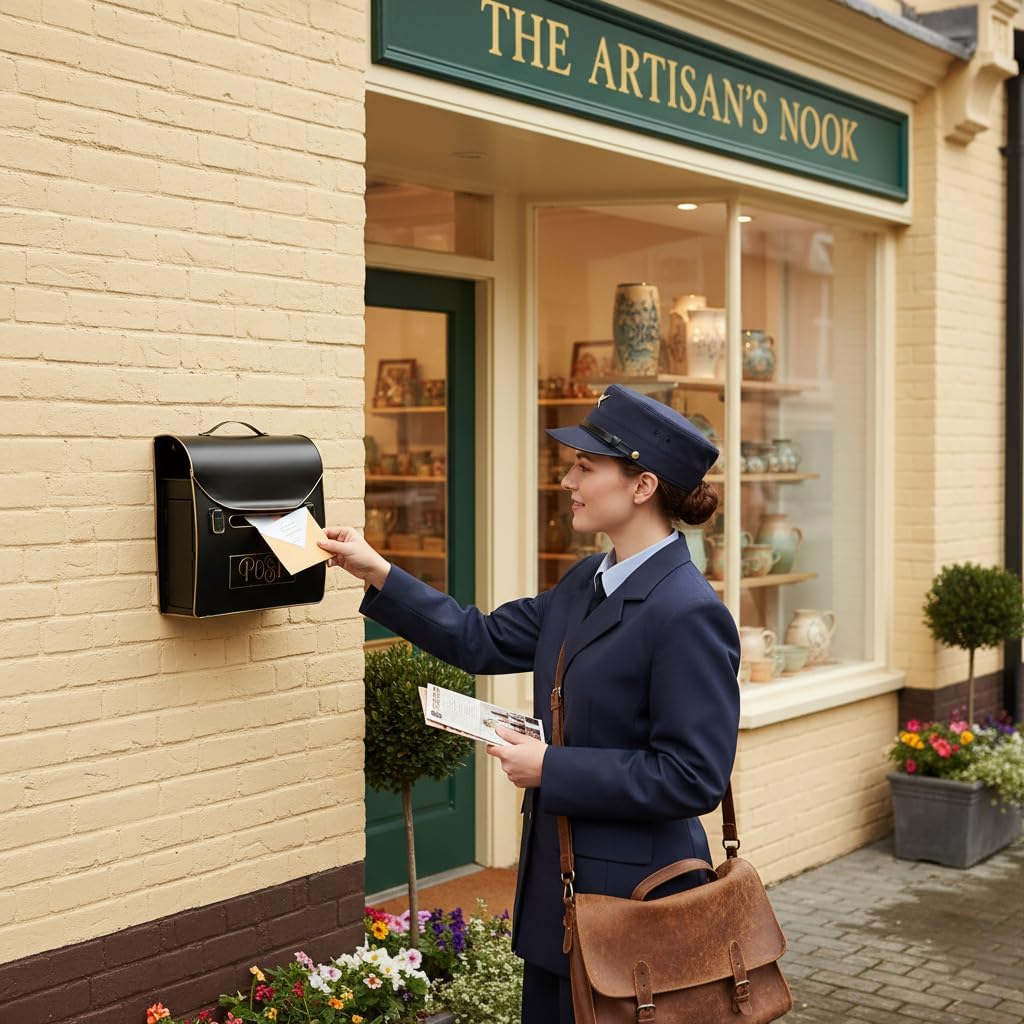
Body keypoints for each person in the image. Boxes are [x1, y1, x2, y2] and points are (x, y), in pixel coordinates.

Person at [319, 383, 741, 1024]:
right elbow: (480, 638)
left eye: (585, 467)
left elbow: (694, 776)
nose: (567, 480)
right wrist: (377, 570)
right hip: (559, 895)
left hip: (637, 908)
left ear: (642, 486)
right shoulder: (584, 582)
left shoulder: (688, 613)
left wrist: (553, 767)